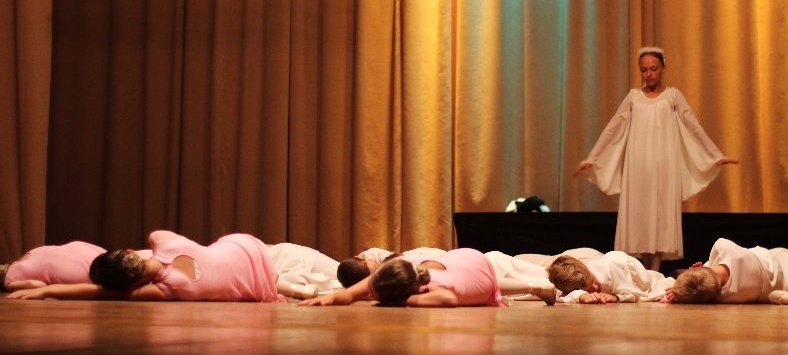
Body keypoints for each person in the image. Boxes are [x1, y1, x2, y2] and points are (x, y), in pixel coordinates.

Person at [572, 46, 737, 271]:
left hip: (663, 165)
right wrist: (594, 157)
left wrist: (714, 154)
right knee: (641, 215)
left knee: (659, 216)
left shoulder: (672, 96)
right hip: (638, 166)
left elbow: (692, 125)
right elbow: (613, 128)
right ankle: (645, 270)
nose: (648, 74)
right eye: (644, 70)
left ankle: (654, 271)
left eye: (653, 69)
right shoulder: (634, 97)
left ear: (663, 68)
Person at [7, 230, 288, 302]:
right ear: (132, 253)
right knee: (290, 259)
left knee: (292, 268)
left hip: (254, 281)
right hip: (246, 247)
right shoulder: (163, 241)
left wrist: (48, 291)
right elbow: (155, 242)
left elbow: (100, 292)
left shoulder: (165, 289)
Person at [299, 248, 508, 307]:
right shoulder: (398, 267)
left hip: (480, 268)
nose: (368, 293)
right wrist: (330, 298)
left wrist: (404, 301)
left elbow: (449, 299)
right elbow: (352, 294)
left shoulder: (436, 288)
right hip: (461, 257)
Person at [663, 237, 788, 304]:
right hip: (787, 264)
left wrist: (682, 294)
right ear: (697, 267)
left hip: (780, 264)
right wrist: (703, 268)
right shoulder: (724, 247)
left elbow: (703, 291)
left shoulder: (728, 297)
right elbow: (708, 273)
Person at [546, 251, 673, 304]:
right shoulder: (569, 283)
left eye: (593, 281)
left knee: (661, 288)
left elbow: (635, 294)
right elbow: (560, 296)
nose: (595, 288)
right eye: (589, 289)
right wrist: (581, 296)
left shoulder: (610, 270)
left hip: (636, 276)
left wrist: (616, 297)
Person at [1, 241, 106, 292]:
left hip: (76, 272)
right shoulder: (30, 253)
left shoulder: (9, 281)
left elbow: (37, 285)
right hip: (94, 255)